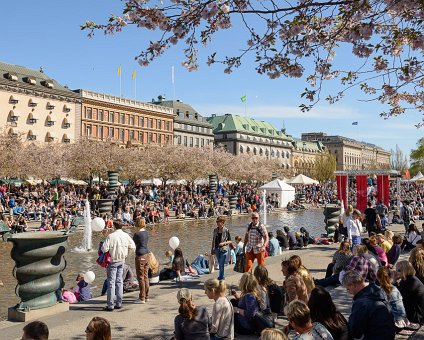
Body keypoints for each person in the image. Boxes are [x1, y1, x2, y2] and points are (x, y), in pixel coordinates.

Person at [342, 270, 396, 339]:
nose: (348, 292)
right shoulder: (378, 291)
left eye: (348, 289)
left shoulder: (362, 302)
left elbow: (355, 332)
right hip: (388, 335)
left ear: (353, 285)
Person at [102, 219, 136, 311]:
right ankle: (119, 303)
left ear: (114, 226)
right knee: (119, 281)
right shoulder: (126, 235)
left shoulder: (111, 236)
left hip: (113, 261)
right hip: (122, 260)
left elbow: (104, 249)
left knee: (111, 283)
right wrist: (127, 253)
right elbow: (133, 246)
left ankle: (110, 305)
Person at [376, 267, 420, 332]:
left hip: (393, 324)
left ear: (377, 277)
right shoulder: (394, 288)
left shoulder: (379, 291)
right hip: (402, 321)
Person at [395, 260, 424, 325]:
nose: (396, 272)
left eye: (398, 270)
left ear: (405, 271)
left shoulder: (412, 282)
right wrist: (394, 282)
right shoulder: (407, 279)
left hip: (417, 316)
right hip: (413, 311)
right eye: (396, 270)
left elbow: (399, 298)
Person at [133, 217, 150, 304]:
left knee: (140, 277)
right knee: (146, 276)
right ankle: (146, 296)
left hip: (140, 255)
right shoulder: (146, 233)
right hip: (147, 255)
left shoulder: (137, 234)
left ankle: (142, 298)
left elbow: (133, 244)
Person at [211, 216, 232, 280]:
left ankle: (221, 277)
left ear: (222, 222)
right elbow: (213, 240)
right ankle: (221, 276)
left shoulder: (226, 230)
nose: (217, 223)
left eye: (219, 221)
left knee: (221, 263)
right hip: (217, 249)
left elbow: (230, 241)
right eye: (217, 222)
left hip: (224, 249)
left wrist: (223, 243)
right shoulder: (215, 230)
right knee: (220, 264)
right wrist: (212, 249)